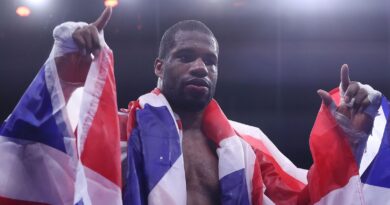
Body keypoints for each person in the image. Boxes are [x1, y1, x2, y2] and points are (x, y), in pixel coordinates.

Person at [0, 7, 384, 205]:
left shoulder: (247, 145)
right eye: (186, 56)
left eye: (211, 60)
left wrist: (349, 141)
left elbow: (304, 199)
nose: (201, 66)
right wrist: (68, 63)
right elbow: (42, 160)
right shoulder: (117, 130)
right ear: (159, 66)